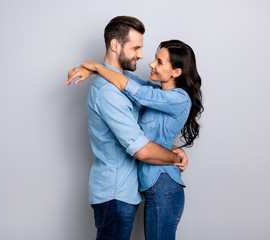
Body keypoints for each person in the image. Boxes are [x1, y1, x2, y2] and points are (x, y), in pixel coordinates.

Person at [66, 16, 189, 240]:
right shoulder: (108, 92)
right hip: (115, 193)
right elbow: (141, 149)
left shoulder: (124, 84)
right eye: (136, 48)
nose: (142, 56)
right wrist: (173, 157)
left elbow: (138, 90)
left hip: (127, 191)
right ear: (115, 45)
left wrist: (93, 68)